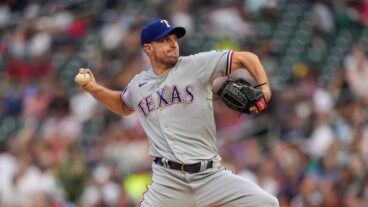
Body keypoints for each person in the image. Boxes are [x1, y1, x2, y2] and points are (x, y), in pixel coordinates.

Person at [77, 19, 279, 207]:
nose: (173, 44)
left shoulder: (196, 65)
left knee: (267, 203)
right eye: (164, 40)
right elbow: (122, 104)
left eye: (174, 39)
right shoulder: (138, 84)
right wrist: (94, 89)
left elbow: (246, 58)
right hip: (168, 182)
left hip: (209, 175)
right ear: (148, 48)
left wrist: (264, 88)